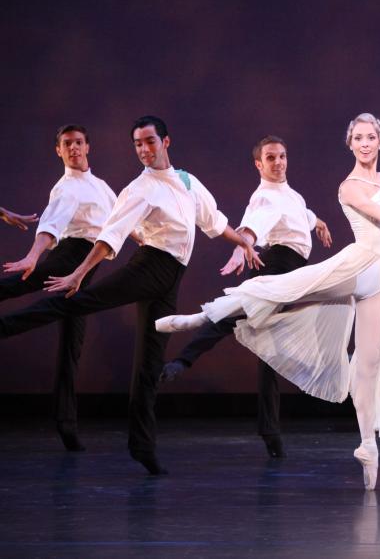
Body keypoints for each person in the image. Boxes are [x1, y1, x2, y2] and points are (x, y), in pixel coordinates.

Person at [155, 113, 380, 490]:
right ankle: (195, 319)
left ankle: (367, 447)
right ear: (351, 143)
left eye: (371, 136)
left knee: (368, 365)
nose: (365, 142)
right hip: (356, 265)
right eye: (358, 137)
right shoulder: (349, 187)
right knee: (279, 292)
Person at [0, 116, 260, 475]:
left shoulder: (187, 181)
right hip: (149, 267)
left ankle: (142, 446)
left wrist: (243, 241)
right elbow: (112, 234)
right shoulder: (139, 188)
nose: (143, 149)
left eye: (149, 142)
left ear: (165, 142)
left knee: (149, 362)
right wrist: (78, 273)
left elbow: (213, 221)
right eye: (137, 144)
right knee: (77, 301)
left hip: (171, 278)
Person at [159, 135, 333, 458]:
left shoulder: (289, 195)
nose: (278, 162)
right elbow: (254, 225)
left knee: (268, 350)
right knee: (232, 317)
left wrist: (319, 223)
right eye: (271, 158)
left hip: (289, 273)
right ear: (259, 164)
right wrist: (243, 246)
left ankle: (270, 431)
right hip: (276, 268)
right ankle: (181, 362)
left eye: (282, 156)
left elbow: (303, 214)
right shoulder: (264, 197)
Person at [0, 125, 117, 450]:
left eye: (79, 142)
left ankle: (67, 423)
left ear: (87, 147)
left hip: (87, 264)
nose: (74, 148)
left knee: (72, 344)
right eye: (67, 144)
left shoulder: (102, 186)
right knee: (17, 283)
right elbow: (51, 224)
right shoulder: (66, 188)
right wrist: (33, 256)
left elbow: (119, 222)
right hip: (69, 256)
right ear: (59, 151)